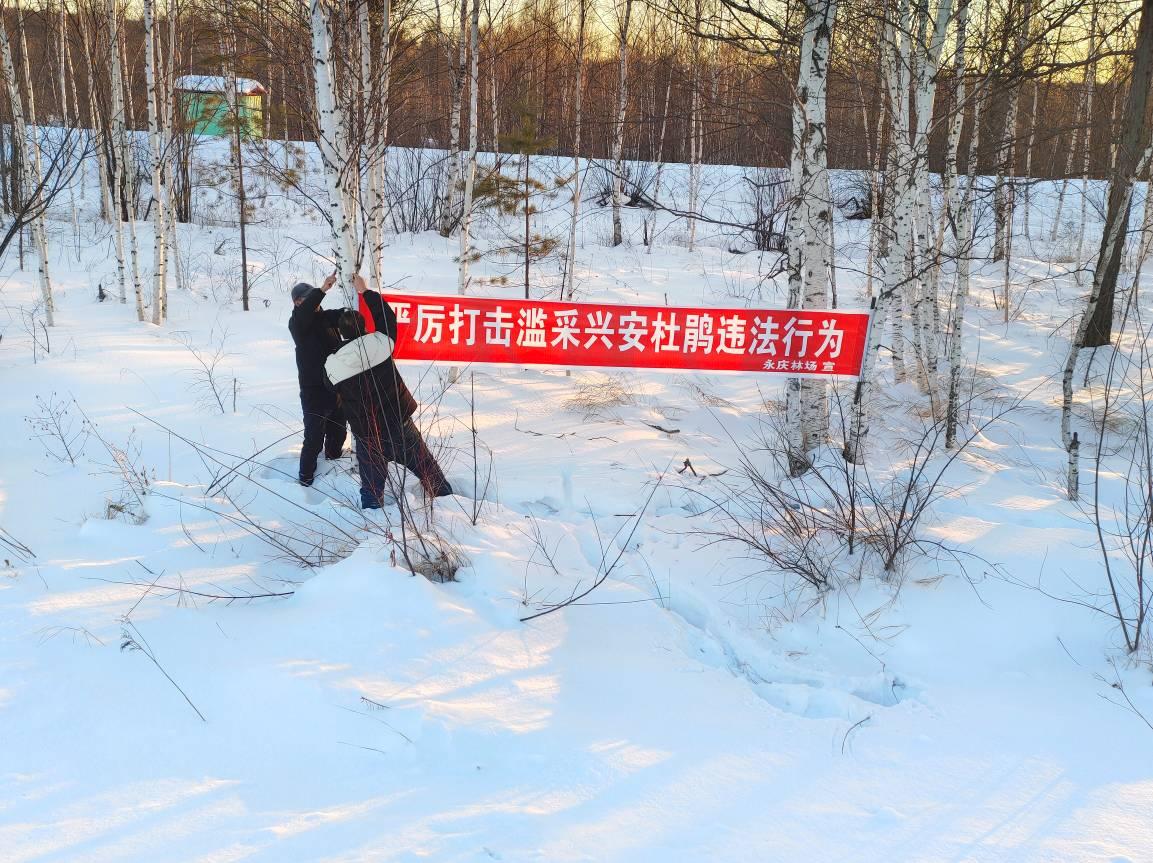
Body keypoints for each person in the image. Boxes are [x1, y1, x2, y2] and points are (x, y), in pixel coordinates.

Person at [324, 274, 453, 508]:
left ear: (341, 333)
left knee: (372, 488)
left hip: (366, 433)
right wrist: (365, 291)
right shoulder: (381, 342)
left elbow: (329, 387)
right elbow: (386, 317)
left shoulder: (332, 365)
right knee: (426, 468)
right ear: (364, 327)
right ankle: (448, 503)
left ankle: (373, 518)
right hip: (398, 423)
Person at [288, 273, 348, 486]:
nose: (314, 301)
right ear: (298, 302)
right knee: (314, 438)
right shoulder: (297, 323)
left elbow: (342, 316)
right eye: (308, 297)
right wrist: (321, 290)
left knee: (338, 431)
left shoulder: (324, 317)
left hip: (336, 387)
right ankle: (305, 480)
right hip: (313, 391)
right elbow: (306, 311)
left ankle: (333, 464)